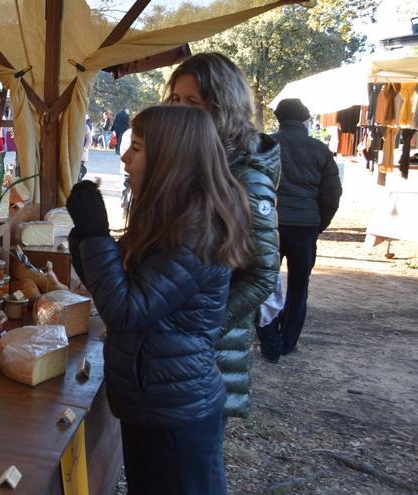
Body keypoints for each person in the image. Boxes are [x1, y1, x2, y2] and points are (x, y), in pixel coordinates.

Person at [67, 106, 253, 494]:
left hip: (177, 413)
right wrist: (85, 236)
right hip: (152, 401)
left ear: (171, 158)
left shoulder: (197, 231)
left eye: (136, 148)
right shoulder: (165, 216)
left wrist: (96, 236)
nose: (124, 157)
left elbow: (126, 310)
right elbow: (111, 288)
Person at [166, 52, 280, 418]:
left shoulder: (247, 178)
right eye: (176, 100)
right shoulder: (189, 159)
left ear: (221, 109)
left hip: (208, 352)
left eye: (192, 102)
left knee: (194, 445)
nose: (180, 110)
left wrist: (204, 331)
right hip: (174, 343)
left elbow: (262, 275)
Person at [257, 98, 341, 362]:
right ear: (305, 119)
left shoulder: (264, 145)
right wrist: (318, 224)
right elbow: (332, 194)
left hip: (270, 225)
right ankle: (288, 342)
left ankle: (269, 342)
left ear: (279, 119)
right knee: (298, 286)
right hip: (305, 227)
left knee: (264, 283)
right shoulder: (319, 149)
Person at [79, 115, 92, 181]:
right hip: (74, 153)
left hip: (82, 153)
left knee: (80, 170)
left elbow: (89, 140)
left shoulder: (86, 127)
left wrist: (85, 149)